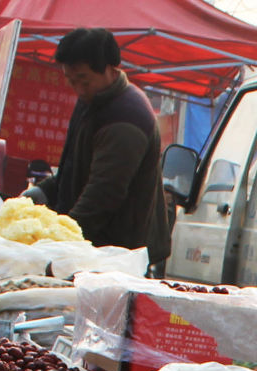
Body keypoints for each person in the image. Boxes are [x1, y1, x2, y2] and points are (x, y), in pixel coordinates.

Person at [32, 28, 167, 270]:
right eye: (71, 81)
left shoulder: (127, 117)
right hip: (90, 247)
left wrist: (61, 241)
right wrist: (41, 194)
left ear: (110, 68)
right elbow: (74, 168)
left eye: (83, 79)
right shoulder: (91, 100)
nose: (78, 89)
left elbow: (103, 194)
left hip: (114, 255)